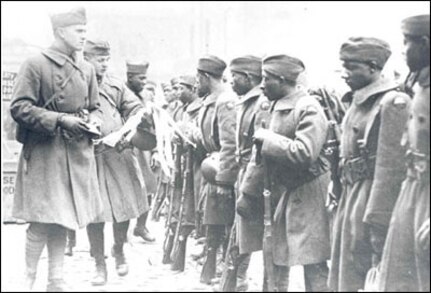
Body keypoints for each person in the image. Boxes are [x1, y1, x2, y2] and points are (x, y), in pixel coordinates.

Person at [10, 7, 103, 291]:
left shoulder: (86, 69)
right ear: (61, 32)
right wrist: (60, 120)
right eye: (78, 31)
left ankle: (56, 279)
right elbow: (19, 107)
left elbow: (94, 106)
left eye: (85, 31)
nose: (83, 36)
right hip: (44, 152)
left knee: (64, 218)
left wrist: (94, 120)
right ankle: (28, 277)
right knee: (41, 220)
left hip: (75, 154)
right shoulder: (35, 64)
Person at [328, 37, 412, 292]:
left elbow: (390, 170)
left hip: (369, 201)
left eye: (351, 67)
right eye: (343, 66)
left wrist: (378, 221)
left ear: (373, 67)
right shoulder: (356, 100)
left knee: (364, 272)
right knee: (346, 273)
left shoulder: (392, 103)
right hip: (350, 196)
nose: (344, 74)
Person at [244, 54, 331, 291]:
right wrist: (247, 191)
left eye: (266, 79)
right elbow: (259, 157)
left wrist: (269, 140)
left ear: (282, 80)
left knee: (313, 260)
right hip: (286, 191)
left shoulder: (308, 107)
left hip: (310, 190)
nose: (261, 85)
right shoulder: (273, 106)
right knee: (276, 254)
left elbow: (304, 153)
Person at [83, 40, 153, 285]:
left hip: (119, 153)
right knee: (95, 213)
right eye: (99, 59)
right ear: (86, 58)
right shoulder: (75, 85)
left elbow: (135, 108)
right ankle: (99, 265)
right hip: (90, 157)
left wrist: (128, 130)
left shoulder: (115, 85)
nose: (104, 64)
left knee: (124, 206)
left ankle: (119, 250)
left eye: (106, 60)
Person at [378, 14, 430, 292]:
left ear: (424, 43)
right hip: (412, 191)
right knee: (400, 277)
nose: (403, 50)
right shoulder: (418, 85)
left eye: (407, 43)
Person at [188, 55, 239, 284]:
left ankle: (227, 271)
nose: (196, 84)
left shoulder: (226, 101)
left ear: (206, 77)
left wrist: (224, 181)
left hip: (221, 170)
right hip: (211, 167)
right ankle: (213, 268)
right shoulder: (211, 99)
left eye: (198, 79)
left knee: (224, 223)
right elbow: (208, 136)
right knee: (212, 220)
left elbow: (230, 143)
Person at [221, 55, 270, 291]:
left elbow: (259, 149)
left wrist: (248, 184)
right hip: (243, 173)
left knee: (249, 230)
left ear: (249, 77)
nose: (231, 81)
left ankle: (238, 281)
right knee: (241, 229)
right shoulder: (245, 102)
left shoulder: (260, 104)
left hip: (255, 177)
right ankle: (234, 281)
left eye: (235, 76)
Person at [125, 60, 157, 242]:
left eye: (145, 78)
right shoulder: (120, 93)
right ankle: (120, 232)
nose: (144, 82)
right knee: (124, 188)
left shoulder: (146, 96)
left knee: (149, 185)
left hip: (143, 146)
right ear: (130, 77)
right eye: (141, 78)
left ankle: (141, 225)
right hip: (124, 145)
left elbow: (155, 124)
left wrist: (157, 150)